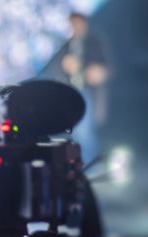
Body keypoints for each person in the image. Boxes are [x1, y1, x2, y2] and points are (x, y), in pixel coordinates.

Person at [40, 12, 109, 163]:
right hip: (70, 94)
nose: (75, 27)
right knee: (76, 134)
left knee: (85, 133)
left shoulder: (95, 42)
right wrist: (64, 66)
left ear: (85, 23)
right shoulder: (67, 45)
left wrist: (98, 71)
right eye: (73, 24)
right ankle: (80, 165)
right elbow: (52, 67)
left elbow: (108, 67)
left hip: (87, 92)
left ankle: (88, 164)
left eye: (78, 23)